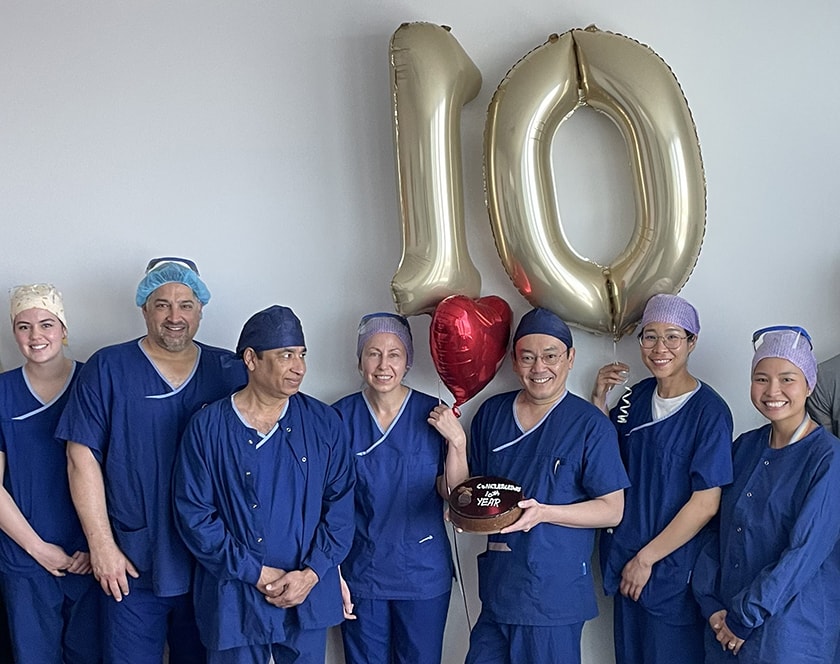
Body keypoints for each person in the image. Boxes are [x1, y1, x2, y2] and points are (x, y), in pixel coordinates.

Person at [56, 258, 247, 664]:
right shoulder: (109, 368)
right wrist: (102, 546)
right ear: (144, 308)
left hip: (213, 565)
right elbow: (80, 457)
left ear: (201, 309)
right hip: (132, 560)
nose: (175, 316)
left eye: (186, 304)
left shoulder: (229, 371)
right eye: (162, 304)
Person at [428, 307, 628, 664]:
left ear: (570, 359)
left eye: (551, 356)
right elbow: (465, 494)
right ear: (514, 362)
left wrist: (544, 513)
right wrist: (457, 446)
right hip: (500, 589)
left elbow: (612, 510)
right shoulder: (492, 413)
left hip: (553, 593)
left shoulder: (589, 425)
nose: (539, 368)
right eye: (528, 357)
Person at [173, 305, 355, 663]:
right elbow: (194, 516)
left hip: (307, 592)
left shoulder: (324, 424)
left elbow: (341, 508)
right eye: (285, 355)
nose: (299, 367)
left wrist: (312, 573)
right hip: (234, 596)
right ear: (251, 359)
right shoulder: (208, 428)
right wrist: (254, 572)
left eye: (302, 355)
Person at [590, 294, 733, 664]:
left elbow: (706, 503)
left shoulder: (709, 412)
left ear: (692, 342)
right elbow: (607, 464)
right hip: (626, 561)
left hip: (671, 569)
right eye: (650, 336)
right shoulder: (633, 399)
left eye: (672, 337)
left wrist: (647, 559)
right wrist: (599, 400)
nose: (659, 348)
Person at [692, 326, 840, 663]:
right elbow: (715, 531)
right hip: (725, 625)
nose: (773, 390)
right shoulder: (744, 447)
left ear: (809, 384)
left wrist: (745, 617)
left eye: (787, 379)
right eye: (761, 379)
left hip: (791, 635)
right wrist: (710, 602)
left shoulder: (828, 459)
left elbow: (804, 552)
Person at [332, 313, 462, 664]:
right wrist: (333, 572)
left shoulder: (434, 415)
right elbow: (324, 503)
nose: (383, 365)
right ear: (360, 361)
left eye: (394, 354)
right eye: (373, 353)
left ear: (408, 362)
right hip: (362, 572)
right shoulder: (337, 419)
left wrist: (458, 443)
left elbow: (456, 495)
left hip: (422, 573)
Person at [0, 284, 101, 663]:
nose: (35, 336)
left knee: (89, 654)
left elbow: (120, 471)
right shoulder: (3, 392)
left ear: (64, 330)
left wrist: (97, 545)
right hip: (24, 555)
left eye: (46, 324)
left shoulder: (94, 383)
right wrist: (38, 549)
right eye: (23, 327)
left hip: (89, 554)